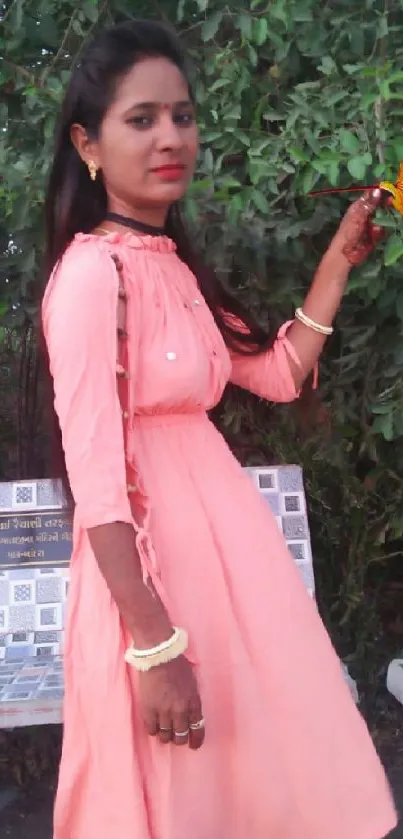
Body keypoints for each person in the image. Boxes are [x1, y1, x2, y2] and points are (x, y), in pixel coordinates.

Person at [41, 18, 397, 839]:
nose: (171, 137)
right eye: (142, 119)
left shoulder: (173, 265)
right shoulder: (92, 278)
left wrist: (337, 261)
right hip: (157, 588)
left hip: (238, 571)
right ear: (87, 144)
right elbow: (96, 481)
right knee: (181, 792)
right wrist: (154, 646)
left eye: (183, 116)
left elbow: (276, 373)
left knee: (264, 780)